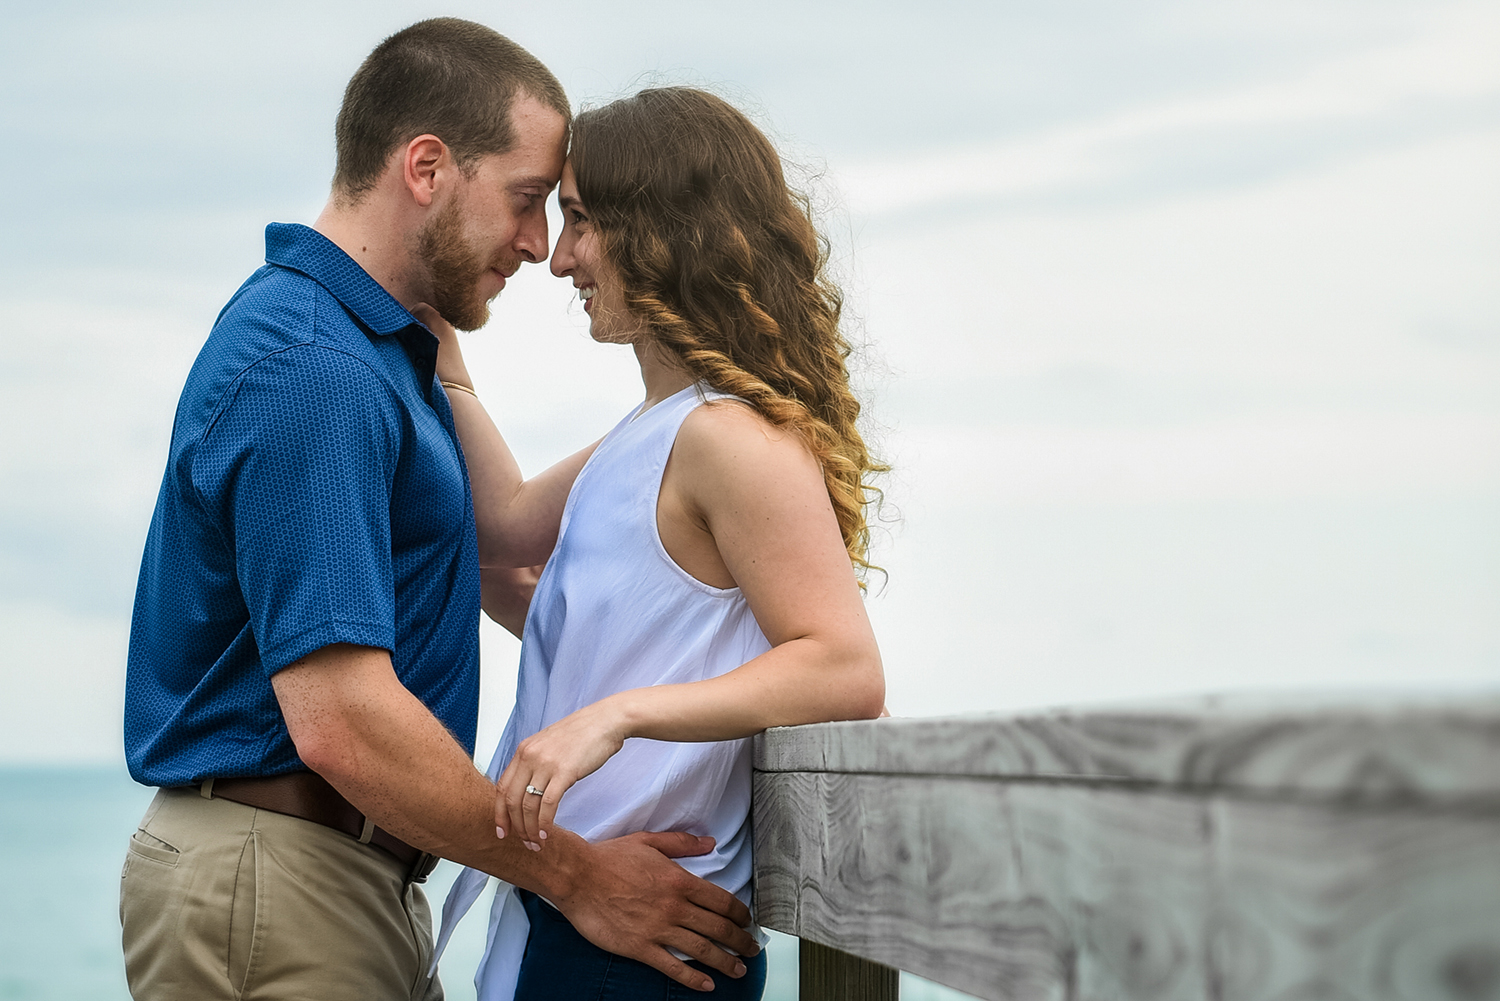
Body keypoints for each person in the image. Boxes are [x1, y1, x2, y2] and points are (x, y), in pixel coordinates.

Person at [119, 23, 758, 1000]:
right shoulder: (317, 368)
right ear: (426, 167)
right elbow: (340, 716)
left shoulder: (368, 350)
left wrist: (713, 410)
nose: (541, 245)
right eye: (527, 199)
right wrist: (579, 876)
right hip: (284, 876)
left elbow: (500, 548)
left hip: (327, 874)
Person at [427, 87, 887, 1000]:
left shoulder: (729, 436)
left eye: (584, 221)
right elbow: (507, 532)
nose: (559, 260)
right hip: (573, 920)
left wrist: (614, 715)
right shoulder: (654, 428)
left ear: (667, 227)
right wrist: (433, 331)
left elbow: (844, 667)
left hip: (647, 945)